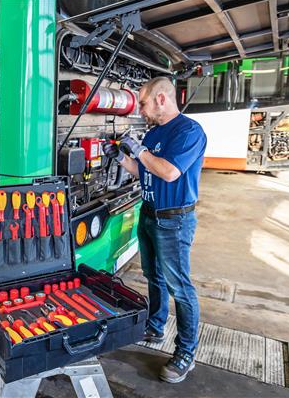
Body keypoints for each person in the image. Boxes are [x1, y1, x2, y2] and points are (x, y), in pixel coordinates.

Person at [102, 77, 207, 383]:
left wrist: (140, 149)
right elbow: (144, 171)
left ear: (161, 99)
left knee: (180, 288)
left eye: (144, 103)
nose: (141, 110)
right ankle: (156, 325)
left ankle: (186, 352)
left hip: (174, 221)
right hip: (148, 214)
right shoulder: (153, 133)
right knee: (154, 276)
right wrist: (122, 157)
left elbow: (169, 172)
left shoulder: (189, 131)